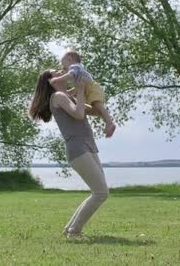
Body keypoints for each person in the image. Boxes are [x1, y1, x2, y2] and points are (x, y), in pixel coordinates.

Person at [29, 69, 109, 238]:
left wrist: (93, 93)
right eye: (57, 72)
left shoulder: (68, 97)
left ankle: (70, 229)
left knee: (99, 192)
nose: (64, 72)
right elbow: (79, 115)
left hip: (88, 146)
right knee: (101, 193)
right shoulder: (58, 97)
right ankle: (74, 231)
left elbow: (94, 112)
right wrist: (79, 90)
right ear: (52, 82)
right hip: (78, 148)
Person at [49, 49, 116, 137]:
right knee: (98, 105)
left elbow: (70, 75)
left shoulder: (74, 67)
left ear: (69, 59)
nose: (62, 68)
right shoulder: (76, 71)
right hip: (88, 89)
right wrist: (71, 92)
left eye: (63, 64)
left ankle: (109, 122)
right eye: (56, 72)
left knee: (98, 104)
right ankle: (108, 121)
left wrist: (57, 80)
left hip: (91, 87)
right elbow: (76, 89)